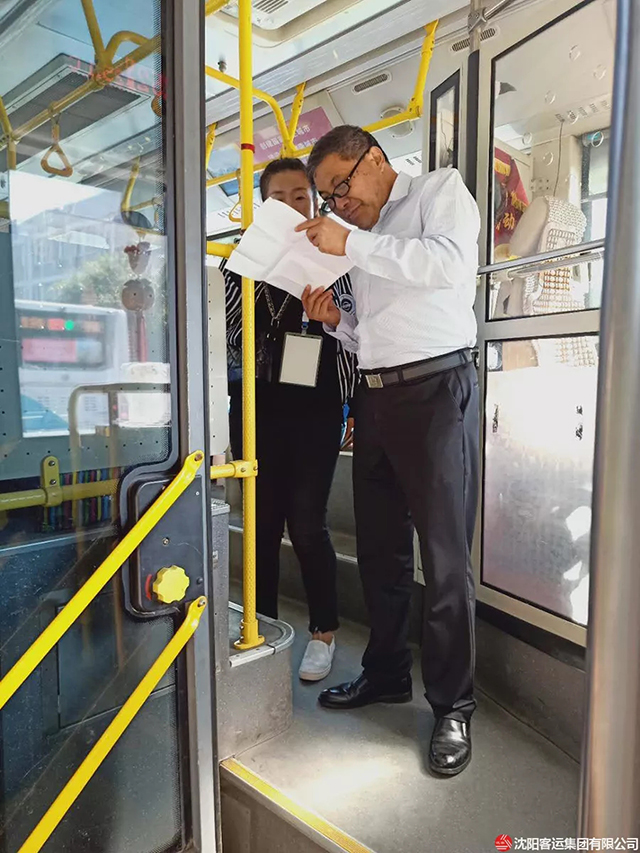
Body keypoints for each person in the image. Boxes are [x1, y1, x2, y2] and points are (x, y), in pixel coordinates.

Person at [298, 126, 480, 775]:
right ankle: (386, 672)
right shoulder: (361, 240)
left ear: (375, 159)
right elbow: (374, 332)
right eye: (329, 197)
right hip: (375, 395)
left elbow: (448, 265)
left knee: (444, 558)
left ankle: (453, 704)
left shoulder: (438, 191)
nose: (339, 203)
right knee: (380, 550)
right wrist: (337, 323)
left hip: (436, 390)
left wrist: (351, 242)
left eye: (341, 186)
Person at [220, 157, 357, 682]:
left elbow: (352, 334)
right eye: (279, 198)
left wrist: (351, 404)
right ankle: (263, 629)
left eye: (300, 196)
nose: (292, 205)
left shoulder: (338, 251)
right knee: (260, 525)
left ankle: (324, 632)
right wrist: (263, 279)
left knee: (306, 523)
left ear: (314, 200)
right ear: (263, 205)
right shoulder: (243, 259)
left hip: (316, 406)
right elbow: (228, 332)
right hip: (257, 406)